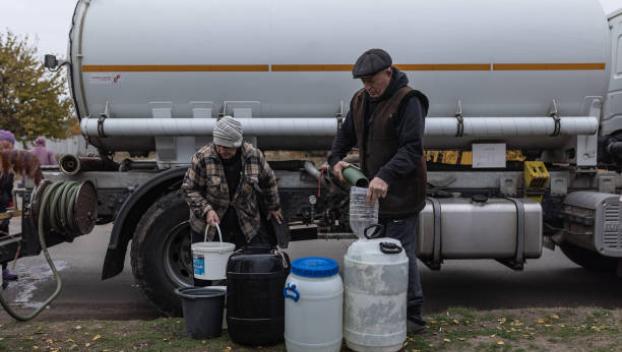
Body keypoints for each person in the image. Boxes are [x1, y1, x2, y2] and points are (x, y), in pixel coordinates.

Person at [328, 49, 429, 333]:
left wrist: (385, 175)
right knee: (376, 255)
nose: (368, 87)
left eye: (372, 80)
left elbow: (412, 149)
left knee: (399, 254)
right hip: (373, 196)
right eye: (363, 82)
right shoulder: (360, 100)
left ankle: (412, 316)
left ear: (388, 72)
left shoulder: (409, 100)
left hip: (402, 194)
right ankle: (383, 309)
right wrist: (334, 160)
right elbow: (345, 135)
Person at [181, 116, 283, 284]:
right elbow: (189, 189)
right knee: (204, 278)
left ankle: (236, 306)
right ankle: (206, 305)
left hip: (244, 223)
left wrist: (274, 206)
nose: (223, 150)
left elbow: (269, 180)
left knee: (241, 272)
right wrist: (207, 210)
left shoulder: (253, 156)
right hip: (208, 225)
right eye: (219, 145)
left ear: (238, 144)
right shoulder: (202, 157)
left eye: (228, 147)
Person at [0, 130, 18, 282]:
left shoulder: (9, 167)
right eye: (5, 145)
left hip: (3, 207)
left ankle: (3, 270)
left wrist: (9, 208)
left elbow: (8, 189)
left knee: (3, 237)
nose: (8, 149)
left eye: (10, 146)